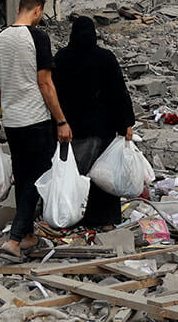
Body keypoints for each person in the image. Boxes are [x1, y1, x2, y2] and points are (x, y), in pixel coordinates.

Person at [0, 0, 72, 261]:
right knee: (35, 180)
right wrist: (61, 120)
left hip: (12, 121)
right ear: (37, 10)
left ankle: (26, 236)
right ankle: (14, 240)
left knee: (23, 177)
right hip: (35, 120)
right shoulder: (38, 37)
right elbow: (45, 84)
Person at [53, 16, 135, 229]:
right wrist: (126, 123)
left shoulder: (62, 58)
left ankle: (70, 216)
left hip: (70, 129)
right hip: (102, 128)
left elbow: (52, 92)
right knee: (104, 176)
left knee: (72, 174)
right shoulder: (105, 58)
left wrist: (56, 122)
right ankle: (105, 221)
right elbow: (118, 92)